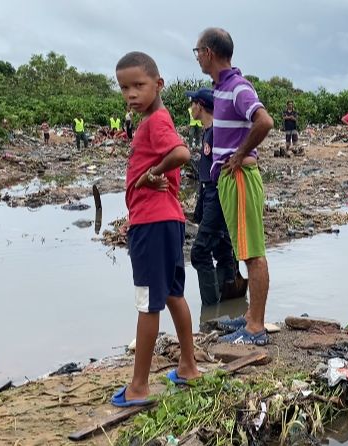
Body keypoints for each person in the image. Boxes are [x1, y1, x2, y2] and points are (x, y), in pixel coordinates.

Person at [111, 51, 200, 407]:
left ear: (158, 84)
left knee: (148, 303)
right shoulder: (152, 119)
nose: (131, 94)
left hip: (153, 222)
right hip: (167, 220)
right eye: (124, 88)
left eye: (138, 85)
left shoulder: (155, 122)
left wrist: (152, 173)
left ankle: (138, 386)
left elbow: (181, 154)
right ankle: (188, 365)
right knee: (173, 293)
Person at [194, 27, 274, 345]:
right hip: (229, 180)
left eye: (198, 51)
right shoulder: (222, 89)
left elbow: (264, 121)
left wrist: (239, 154)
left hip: (239, 178)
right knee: (244, 250)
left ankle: (255, 327)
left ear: (209, 52)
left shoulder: (238, 87)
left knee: (252, 253)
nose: (197, 57)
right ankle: (251, 316)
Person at [186, 87, 247, 306]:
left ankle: (211, 311)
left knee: (199, 252)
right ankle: (231, 305)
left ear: (200, 106)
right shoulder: (208, 132)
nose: (190, 107)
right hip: (209, 194)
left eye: (192, 103)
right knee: (223, 249)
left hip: (218, 195)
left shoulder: (217, 133)